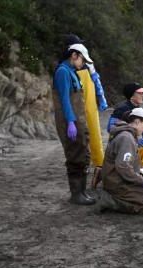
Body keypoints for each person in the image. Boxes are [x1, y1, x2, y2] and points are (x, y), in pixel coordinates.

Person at [62, 35, 108, 190]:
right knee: (81, 137)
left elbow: (96, 79)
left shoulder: (87, 64)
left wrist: (101, 98)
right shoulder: (65, 69)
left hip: (89, 103)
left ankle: (99, 166)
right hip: (76, 103)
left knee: (94, 134)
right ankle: (84, 167)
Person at [52, 43, 95, 206]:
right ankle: (76, 195)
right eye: (82, 59)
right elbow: (64, 99)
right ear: (74, 55)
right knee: (75, 156)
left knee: (83, 154)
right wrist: (71, 122)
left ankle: (82, 192)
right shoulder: (63, 71)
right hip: (70, 121)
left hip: (79, 121)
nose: (83, 63)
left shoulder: (72, 72)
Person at [96, 108, 143, 214]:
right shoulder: (127, 138)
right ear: (137, 122)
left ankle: (114, 195)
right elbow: (123, 167)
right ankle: (110, 199)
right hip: (117, 183)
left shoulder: (127, 134)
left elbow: (123, 161)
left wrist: (138, 168)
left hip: (117, 178)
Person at [108, 82, 143, 168]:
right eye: (139, 93)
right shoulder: (121, 109)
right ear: (132, 95)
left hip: (134, 141)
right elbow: (111, 128)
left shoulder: (140, 110)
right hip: (124, 141)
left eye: (142, 93)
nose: (142, 95)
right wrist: (133, 139)